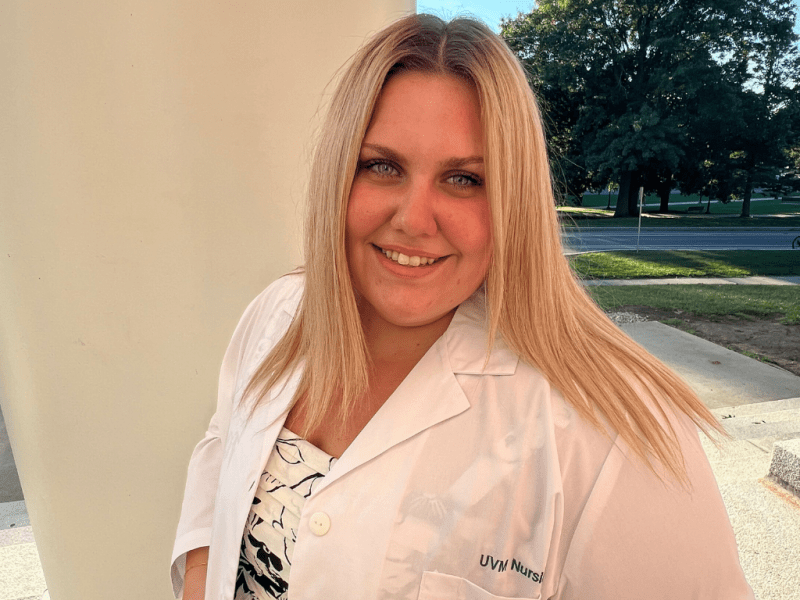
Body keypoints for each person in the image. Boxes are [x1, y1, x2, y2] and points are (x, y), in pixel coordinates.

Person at [170, 13, 755, 600]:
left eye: (464, 179)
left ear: (513, 199)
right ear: (337, 174)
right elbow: (222, 452)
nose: (414, 219)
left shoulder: (618, 431)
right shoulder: (275, 315)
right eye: (382, 166)